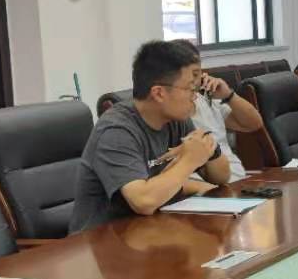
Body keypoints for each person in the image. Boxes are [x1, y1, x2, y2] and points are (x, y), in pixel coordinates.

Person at [70, 40, 231, 233]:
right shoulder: (116, 131)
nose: (195, 96)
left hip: (150, 230)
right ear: (159, 93)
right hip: (101, 241)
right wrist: (190, 160)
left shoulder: (175, 119)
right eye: (190, 89)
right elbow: (143, 201)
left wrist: (209, 148)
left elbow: (222, 177)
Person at [174, 41, 263, 183]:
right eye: (188, 76)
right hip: (208, 189)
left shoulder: (207, 98)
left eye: (196, 74)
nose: (193, 82)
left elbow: (254, 124)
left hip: (238, 181)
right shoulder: (167, 115)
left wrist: (228, 95)